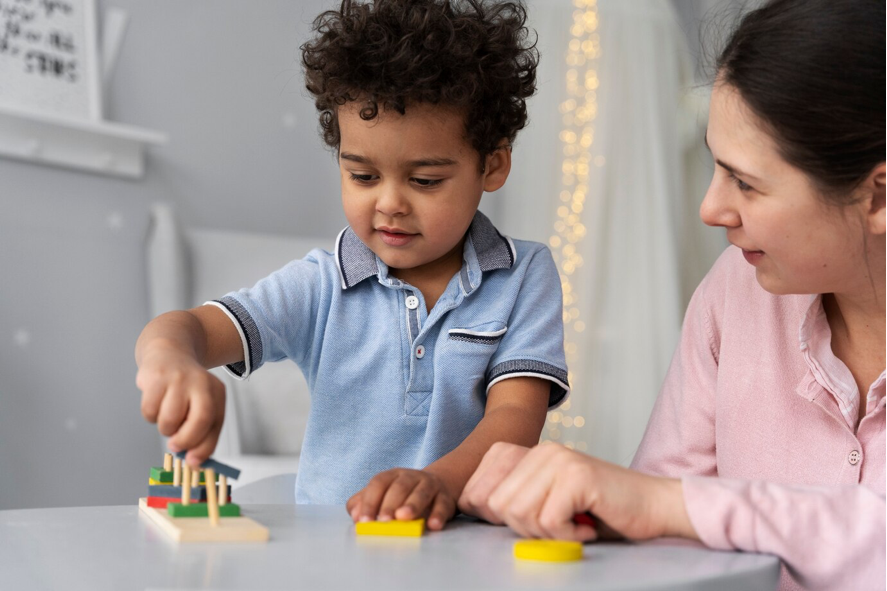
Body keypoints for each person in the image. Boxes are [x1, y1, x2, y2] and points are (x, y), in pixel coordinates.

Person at [458, 0, 885, 588]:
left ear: (879, 197)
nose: (711, 210)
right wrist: (577, 508)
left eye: (746, 183)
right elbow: (654, 523)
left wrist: (665, 504)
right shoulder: (736, 292)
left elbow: (665, 503)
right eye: (717, 167)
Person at [134, 0, 569, 531]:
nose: (389, 203)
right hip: (334, 551)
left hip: (467, 547)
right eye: (363, 177)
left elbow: (515, 419)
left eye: (425, 181)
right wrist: (171, 360)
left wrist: (438, 485)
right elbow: (189, 328)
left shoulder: (524, 275)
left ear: (493, 164)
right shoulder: (320, 286)